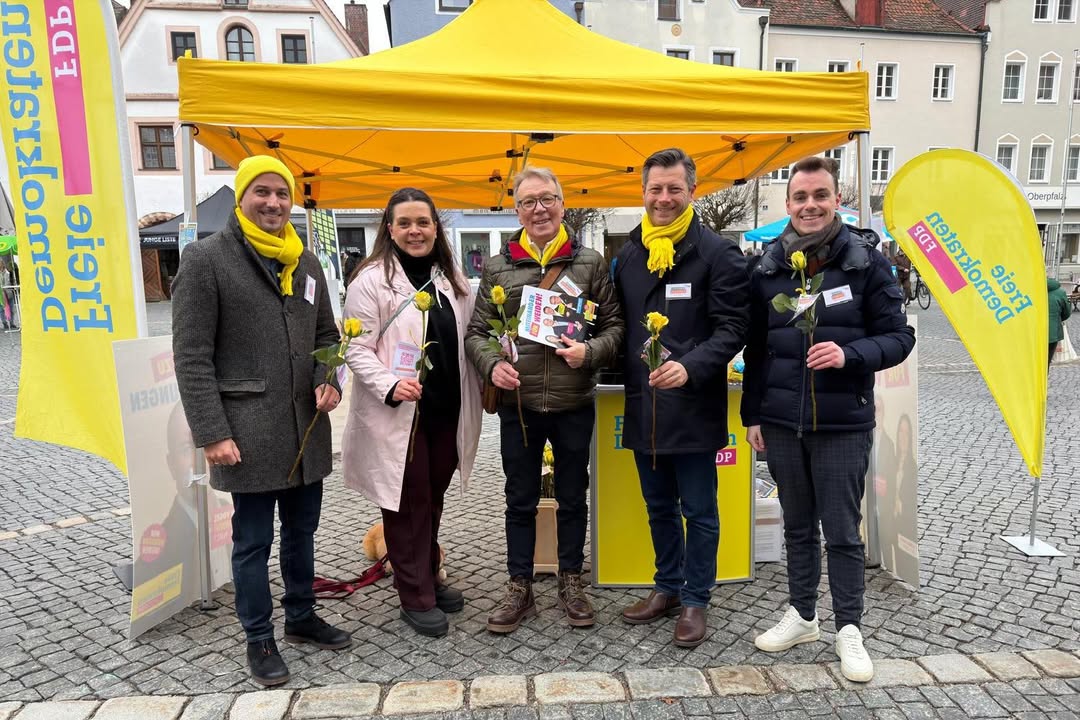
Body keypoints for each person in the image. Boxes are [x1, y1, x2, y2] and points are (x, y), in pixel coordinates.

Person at [172, 155, 351, 687]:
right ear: (242, 196)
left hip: (305, 427)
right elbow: (191, 356)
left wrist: (329, 379)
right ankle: (259, 636)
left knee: (302, 531)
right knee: (252, 542)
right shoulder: (206, 260)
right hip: (246, 432)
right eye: (263, 192)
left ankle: (300, 615)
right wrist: (211, 432)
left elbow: (327, 336)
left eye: (282, 194)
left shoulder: (306, 262)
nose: (274, 203)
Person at [742, 155, 915, 683]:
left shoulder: (866, 263)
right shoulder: (768, 268)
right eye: (800, 197)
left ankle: (849, 628)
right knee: (797, 526)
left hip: (842, 422)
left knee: (841, 531)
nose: (810, 205)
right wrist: (753, 415)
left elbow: (900, 337)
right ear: (788, 203)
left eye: (820, 195)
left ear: (837, 199)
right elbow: (757, 349)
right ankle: (802, 615)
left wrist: (849, 354)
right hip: (781, 422)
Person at [465, 166, 624, 634]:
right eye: (529, 201)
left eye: (547, 199)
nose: (539, 209)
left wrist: (589, 352)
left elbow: (615, 327)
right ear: (516, 210)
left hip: (574, 402)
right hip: (520, 404)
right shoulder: (498, 266)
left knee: (574, 496)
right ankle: (520, 585)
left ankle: (571, 580)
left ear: (562, 204)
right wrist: (492, 365)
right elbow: (477, 333)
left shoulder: (590, 262)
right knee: (519, 498)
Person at [612, 148, 750, 648]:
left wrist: (689, 365)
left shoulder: (718, 254)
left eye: (674, 188)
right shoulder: (629, 255)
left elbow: (733, 327)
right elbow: (618, 325)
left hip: (692, 407)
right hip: (644, 407)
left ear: (692, 191)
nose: (664, 198)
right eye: (656, 189)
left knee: (699, 510)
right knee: (658, 507)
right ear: (643, 192)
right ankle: (666, 587)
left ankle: (696, 599)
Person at [341, 188, 482, 638]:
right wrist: (389, 383)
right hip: (399, 414)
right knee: (405, 503)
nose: (414, 231)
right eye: (404, 223)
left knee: (431, 497)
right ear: (390, 229)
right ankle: (414, 593)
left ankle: (428, 572)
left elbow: (469, 335)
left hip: (446, 410)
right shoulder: (370, 281)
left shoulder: (452, 279)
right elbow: (355, 347)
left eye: (422, 222)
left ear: (436, 228)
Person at [1047, 276, 1071, 368]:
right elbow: (1066, 313)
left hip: (1032, 333)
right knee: (1047, 361)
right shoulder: (1060, 292)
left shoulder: (1030, 290)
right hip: (1052, 333)